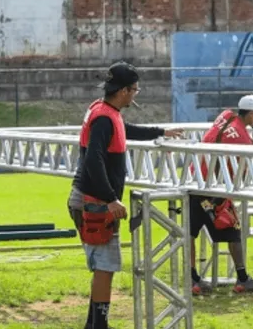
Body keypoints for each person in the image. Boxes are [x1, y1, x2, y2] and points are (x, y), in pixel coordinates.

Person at [67, 61, 184, 329]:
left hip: (91, 199)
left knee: (102, 267)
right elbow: (93, 161)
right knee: (106, 267)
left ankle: (94, 325)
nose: (135, 94)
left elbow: (125, 129)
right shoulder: (104, 117)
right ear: (123, 91)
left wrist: (160, 132)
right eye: (135, 90)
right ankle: (100, 325)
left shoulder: (104, 111)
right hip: (94, 201)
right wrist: (110, 199)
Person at [189, 95, 253, 295]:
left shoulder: (226, 116)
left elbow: (227, 135)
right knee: (233, 230)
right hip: (212, 189)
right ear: (251, 113)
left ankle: (192, 279)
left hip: (193, 178)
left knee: (189, 232)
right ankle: (243, 280)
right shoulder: (242, 140)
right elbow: (241, 169)